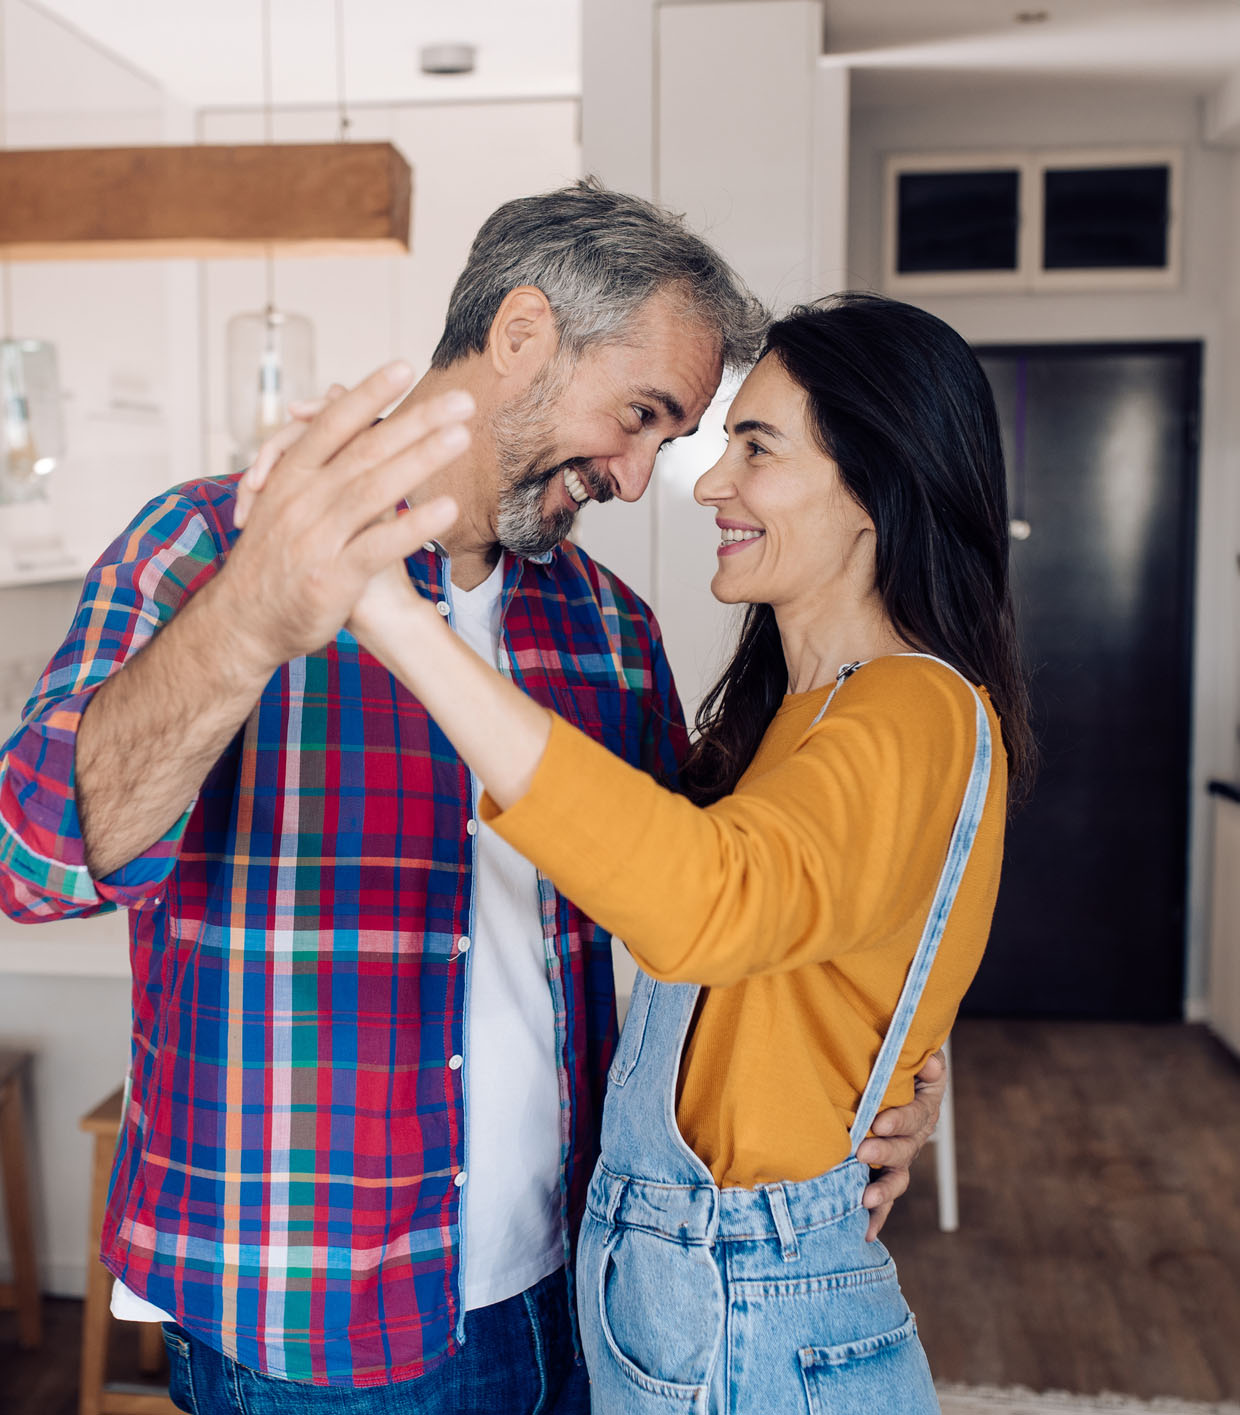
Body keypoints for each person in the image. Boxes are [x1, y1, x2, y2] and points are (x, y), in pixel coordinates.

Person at [0, 179, 945, 1412]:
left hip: (581, 1286)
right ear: (520, 336)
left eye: (673, 441)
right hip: (310, 1317)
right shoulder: (207, 544)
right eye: (641, 415)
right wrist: (247, 621)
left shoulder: (605, 626)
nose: (635, 473)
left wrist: (900, 1071)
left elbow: (734, 904)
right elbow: (33, 860)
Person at [270, 291, 1035, 1411]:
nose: (710, 481)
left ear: (875, 486)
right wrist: (898, 1066)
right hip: (683, 1284)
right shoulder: (799, 718)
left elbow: (704, 897)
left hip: (751, 1302)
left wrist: (391, 616)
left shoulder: (913, 707)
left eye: (756, 447)